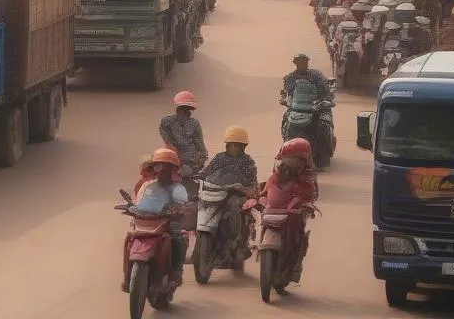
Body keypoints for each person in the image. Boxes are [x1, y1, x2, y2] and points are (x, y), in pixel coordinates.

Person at [198, 125, 259, 272]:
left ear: (244, 146)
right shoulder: (219, 158)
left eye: (239, 145)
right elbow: (206, 173)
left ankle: (233, 247)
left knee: (232, 218)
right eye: (233, 145)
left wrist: (245, 189)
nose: (235, 148)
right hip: (217, 193)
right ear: (227, 145)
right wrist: (198, 178)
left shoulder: (247, 161)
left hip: (236, 197)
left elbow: (252, 182)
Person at [262, 138, 319, 293]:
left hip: (295, 213)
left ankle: (291, 269)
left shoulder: (308, 176)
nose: (287, 164)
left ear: (302, 161)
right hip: (275, 210)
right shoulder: (279, 171)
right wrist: (262, 194)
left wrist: (303, 204)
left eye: (293, 160)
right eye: (285, 160)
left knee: (299, 237)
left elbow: (310, 193)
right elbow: (271, 184)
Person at [132, 147, 189, 285]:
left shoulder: (177, 189)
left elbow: (182, 204)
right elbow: (138, 202)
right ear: (154, 168)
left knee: (179, 239)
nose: (162, 170)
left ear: (172, 170)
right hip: (147, 222)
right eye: (159, 166)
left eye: (166, 167)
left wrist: (176, 209)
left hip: (167, 223)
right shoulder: (147, 185)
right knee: (130, 236)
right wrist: (131, 207)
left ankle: (176, 272)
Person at [159, 91, 208, 187]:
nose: (186, 113)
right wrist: (172, 151)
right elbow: (167, 140)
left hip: (191, 160)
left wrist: (197, 162)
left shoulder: (194, 124)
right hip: (173, 157)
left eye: (187, 110)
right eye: (182, 109)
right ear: (177, 109)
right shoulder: (166, 122)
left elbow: (201, 147)